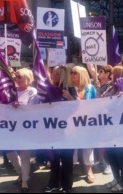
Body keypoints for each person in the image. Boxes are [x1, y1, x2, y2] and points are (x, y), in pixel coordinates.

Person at [44, 65, 79, 193]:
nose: (55, 76)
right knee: (53, 159)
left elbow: (77, 107)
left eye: (58, 74)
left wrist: (69, 96)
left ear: (64, 75)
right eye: (54, 74)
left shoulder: (70, 89)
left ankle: (66, 186)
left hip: (67, 130)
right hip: (53, 129)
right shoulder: (50, 89)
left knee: (67, 159)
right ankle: (53, 184)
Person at [102, 65, 123, 192]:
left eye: (113, 73)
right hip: (110, 129)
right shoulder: (111, 88)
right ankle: (116, 178)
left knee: (121, 156)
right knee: (111, 155)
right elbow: (101, 102)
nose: (111, 76)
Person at [6, 68, 40, 193]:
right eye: (16, 77)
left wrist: (20, 107)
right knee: (10, 152)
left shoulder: (32, 91)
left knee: (25, 155)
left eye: (19, 77)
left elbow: (34, 109)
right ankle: (21, 173)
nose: (17, 79)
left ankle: (24, 181)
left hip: (26, 127)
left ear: (27, 78)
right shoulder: (11, 91)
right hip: (11, 127)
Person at [70, 65, 97, 183]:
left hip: (87, 122)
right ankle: (71, 167)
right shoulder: (69, 88)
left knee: (87, 146)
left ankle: (89, 170)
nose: (72, 75)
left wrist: (70, 98)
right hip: (71, 122)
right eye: (71, 73)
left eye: (75, 72)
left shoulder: (89, 88)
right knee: (72, 146)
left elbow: (87, 104)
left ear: (82, 74)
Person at [94, 65, 113, 175]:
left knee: (106, 142)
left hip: (107, 117)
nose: (99, 73)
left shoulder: (110, 85)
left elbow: (103, 100)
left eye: (101, 71)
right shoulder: (98, 85)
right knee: (100, 141)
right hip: (98, 116)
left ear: (107, 74)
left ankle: (108, 165)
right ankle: (102, 161)